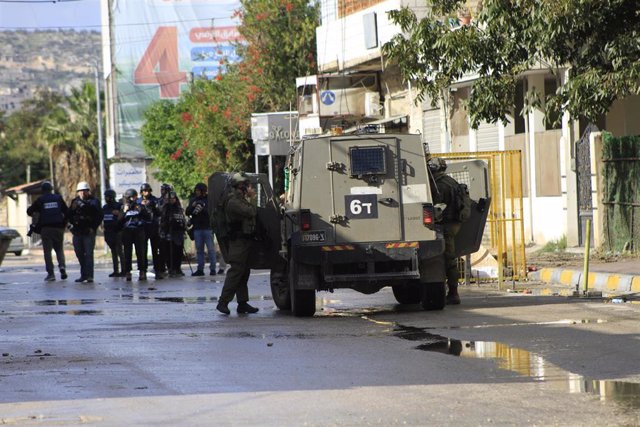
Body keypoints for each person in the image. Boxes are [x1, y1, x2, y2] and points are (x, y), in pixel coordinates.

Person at [216, 173, 259, 315]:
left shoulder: (240, 199)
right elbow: (251, 212)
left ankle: (242, 303)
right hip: (238, 242)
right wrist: (253, 198)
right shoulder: (233, 201)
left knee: (244, 272)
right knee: (236, 272)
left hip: (244, 240)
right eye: (246, 185)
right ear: (240, 186)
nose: (249, 187)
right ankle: (223, 302)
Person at [428, 157, 462, 305]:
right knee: (449, 257)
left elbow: (436, 207)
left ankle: (453, 293)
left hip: (445, 225)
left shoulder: (439, 185)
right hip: (454, 223)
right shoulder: (451, 182)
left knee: (448, 259)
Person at [26, 181, 68, 282]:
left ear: (42, 190)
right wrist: (63, 224)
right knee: (59, 249)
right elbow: (66, 211)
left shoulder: (40, 200)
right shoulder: (58, 198)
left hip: (46, 229)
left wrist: (38, 212)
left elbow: (29, 211)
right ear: (51, 189)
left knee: (47, 252)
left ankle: (51, 274)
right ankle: (62, 266)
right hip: (58, 228)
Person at [67, 181, 103, 283]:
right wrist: (70, 226)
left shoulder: (94, 201)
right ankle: (84, 275)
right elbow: (68, 215)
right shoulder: (74, 201)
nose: (82, 193)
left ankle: (90, 276)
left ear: (88, 191)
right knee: (79, 253)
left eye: (84, 191)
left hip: (88, 231)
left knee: (88, 254)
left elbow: (99, 216)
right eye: (80, 191)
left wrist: (93, 228)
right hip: (77, 232)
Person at [186, 182, 218, 276]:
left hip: (208, 228)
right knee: (199, 250)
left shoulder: (209, 200)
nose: (197, 192)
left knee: (211, 249)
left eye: (198, 191)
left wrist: (202, 208)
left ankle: (213, 269)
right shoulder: (193, 200)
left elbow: (211, 212)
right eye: (196, 190)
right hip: (197, 228)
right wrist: (193, 206)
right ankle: (200, 269)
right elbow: (187, 212)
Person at [119, 188, 149, 281]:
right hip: (127, 232)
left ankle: (142, 271)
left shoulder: (139, 206)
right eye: (129, 198)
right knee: (127, 253)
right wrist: (124, 211)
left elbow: (147, 217)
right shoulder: (123, 207)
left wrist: (142, 209)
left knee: (140, 252)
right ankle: (128, 272)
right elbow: (119, 221)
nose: (132, 199)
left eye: (133, 197)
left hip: (138, 232)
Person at [138, 183, 164, 279]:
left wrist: (153, 206)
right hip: (143, 228)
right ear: (141, 192)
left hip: (154, 227)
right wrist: (141, 207)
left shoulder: (155, 200)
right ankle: (142, 271)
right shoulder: (138, 201)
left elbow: (160, 212)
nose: (147, 192)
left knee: (156, 251)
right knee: (142, 251)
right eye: (145, 191)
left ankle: (158, 270)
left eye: (148, 190)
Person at [160, 191, 186, 277]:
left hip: (178, 233)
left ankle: (177, 268)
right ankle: (171, 268)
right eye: (170, 199)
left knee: (179, 251)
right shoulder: (165, 208)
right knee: (169, 252)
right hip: (169, 232)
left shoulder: (179, 208)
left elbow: (182, 220)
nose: (171, 200)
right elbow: (163, 221)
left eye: (173, 199)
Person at [102, 189, 125, 277]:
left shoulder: (118, 206)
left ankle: (124, 270)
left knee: (120, 251)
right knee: (113, 252)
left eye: (107, 197)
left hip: (117, 231)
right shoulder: (105, 207)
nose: (106, 198)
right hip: (108, 231)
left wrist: (119, 213)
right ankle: (116, 270)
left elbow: (123, 216)